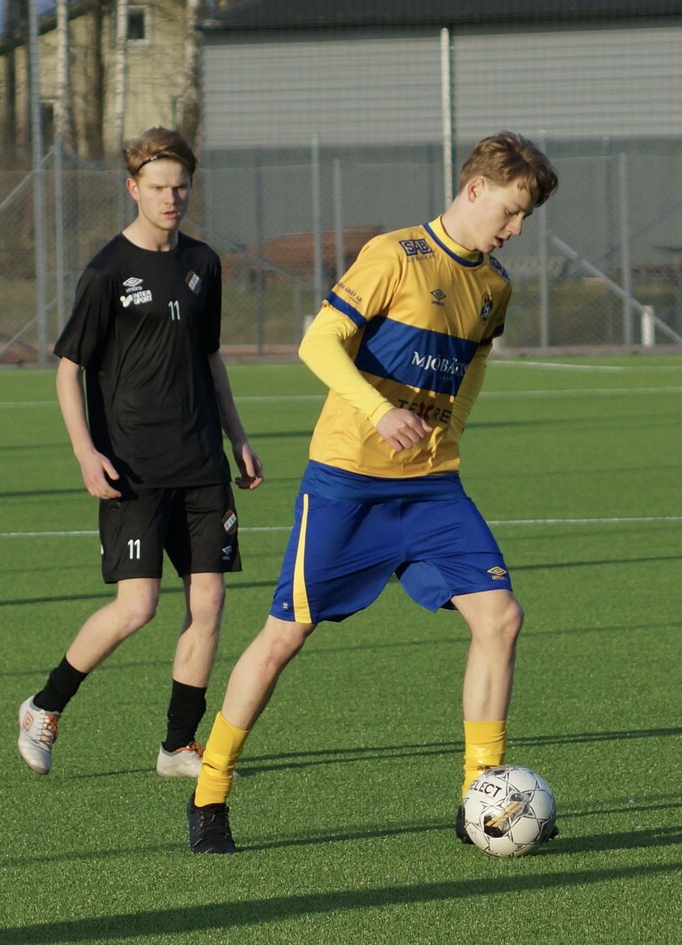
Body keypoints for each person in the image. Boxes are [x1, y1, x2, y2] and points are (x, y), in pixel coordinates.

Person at [185, 131, 559, 853]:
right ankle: (210, 790)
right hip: (348, 484)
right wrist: (379, 411)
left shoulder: (494, 285)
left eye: (525, 218)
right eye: (510, 211)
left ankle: (478, 797)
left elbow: (474, 365)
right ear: (475, 189)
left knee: (501, 618)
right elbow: (317, 342)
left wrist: (451, 430)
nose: (515, 229)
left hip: (432, 489)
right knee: (283, 637)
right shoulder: (395, 255)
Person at [17, 127, 264, 778]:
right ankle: (44, 706)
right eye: (158, 187)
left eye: (180, 187)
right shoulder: (107, 272)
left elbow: (210, 357)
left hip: (202, 463)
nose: (171, 198)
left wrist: (238, 437)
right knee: (137, 608)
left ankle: (178, 746)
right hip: (133, 467)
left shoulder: (204, 263)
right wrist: (85, 453)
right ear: (133, 188)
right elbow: (68, 370)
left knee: (209, 603)